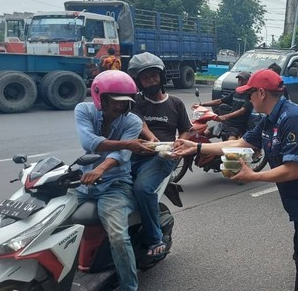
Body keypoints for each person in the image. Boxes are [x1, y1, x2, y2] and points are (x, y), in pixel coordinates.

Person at [172, 69, 298, 290]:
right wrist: (195, 146)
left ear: (261, 93)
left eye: (249, 93)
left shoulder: (292, 119)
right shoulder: (271, 118)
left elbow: (292, 170)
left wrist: (254, 176)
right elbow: (241, 144)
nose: (247, 98)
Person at [73, 70, 155, 291]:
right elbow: (89, 142)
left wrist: (101, 169)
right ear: (101, 97)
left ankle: (129, 287)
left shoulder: (133, 121)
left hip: (114, 186)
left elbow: (120, 157)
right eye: (116, 101)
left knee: (118, 236)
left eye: (125, 102)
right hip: (83, 182)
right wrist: (128, 144)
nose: (121, 106)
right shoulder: (83, 110)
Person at [126, 52, 192, 257]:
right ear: (139, 82)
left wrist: (178, 146)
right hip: (134, 153)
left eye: (154, 76)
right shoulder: (134, 101)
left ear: (161, 77)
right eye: (146, 78)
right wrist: (150, 138)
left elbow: (185, 129)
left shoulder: (176, 103)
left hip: (161, 158)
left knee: (143, 189)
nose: (151, 80)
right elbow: (140, 123)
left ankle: (155, 239)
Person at [199, 71, 254, 140]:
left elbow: (242, 111)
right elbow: (220, 101)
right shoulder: (235, 92)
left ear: (248, 81)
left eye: (243, 80)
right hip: (226, 123)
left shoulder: (250, 95)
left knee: (229, 146)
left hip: (238, 126)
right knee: (203, 135)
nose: (240, 81)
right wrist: (202, 104)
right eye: (239, 79)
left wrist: (225, 116)